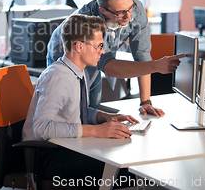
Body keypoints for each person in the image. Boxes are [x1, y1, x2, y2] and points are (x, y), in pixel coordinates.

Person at [23, 14, 138, 188]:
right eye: (99, 46)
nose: (103, 51)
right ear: (78, 46)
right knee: (126, 172)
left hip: (69, 146)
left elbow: (74, 111)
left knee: (125, 163)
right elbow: (41, 129)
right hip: (48, 156)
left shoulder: (77, 71)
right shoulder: (58, 77)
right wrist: (96, 131)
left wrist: (103, 117)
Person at [47, 0, 184, 116]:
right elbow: (108, 66)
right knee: (72, 112)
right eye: (120, 13)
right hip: (67, 57)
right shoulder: (87, 22)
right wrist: (156, 66)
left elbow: (142, 56)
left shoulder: (136, 10)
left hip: (96, 58)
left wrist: (145, 102)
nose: (128, 16)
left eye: (130, 7)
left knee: (92, 108)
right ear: (103, 10)